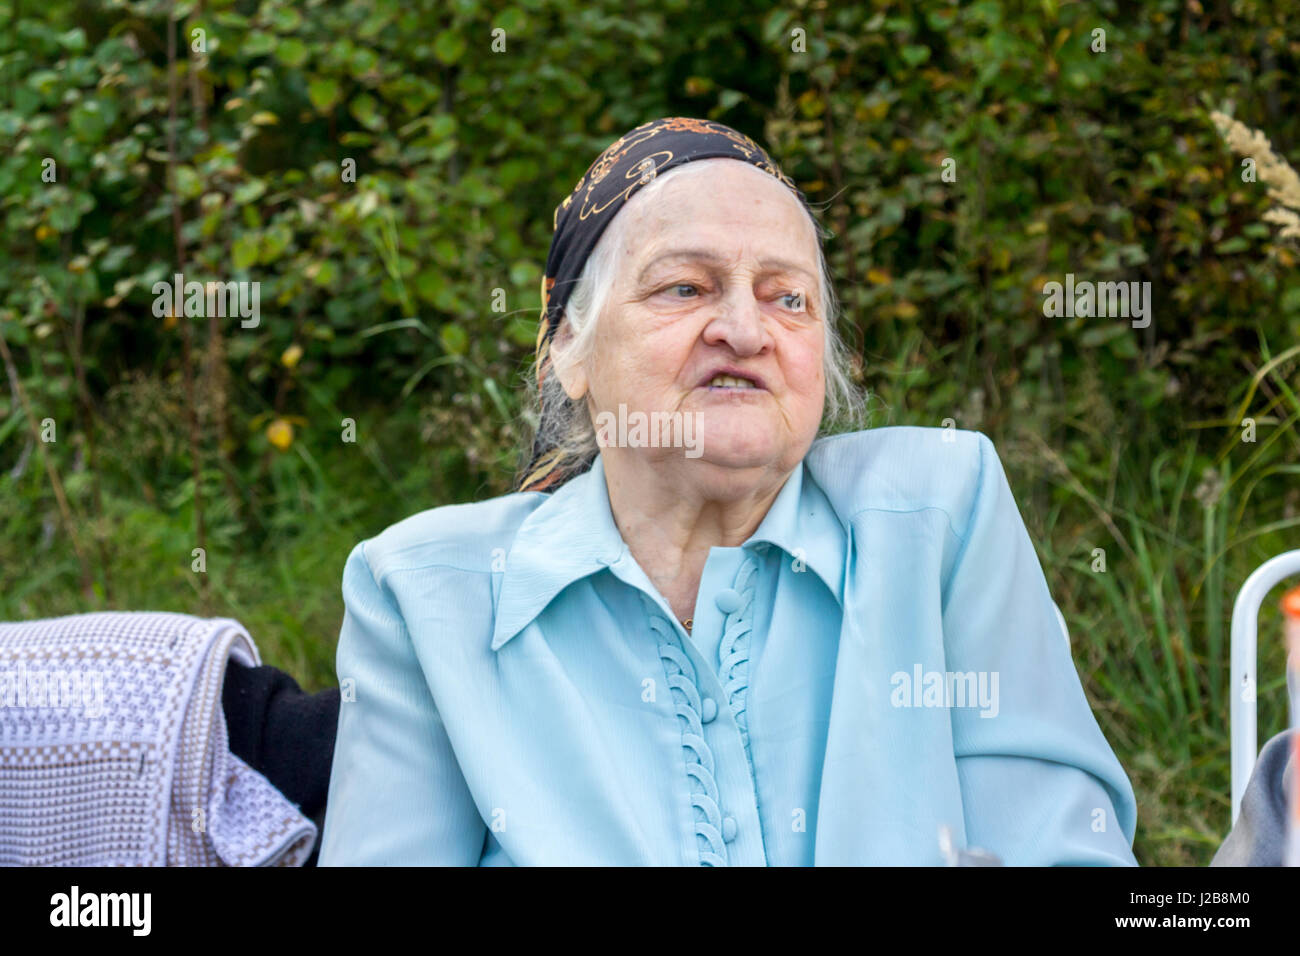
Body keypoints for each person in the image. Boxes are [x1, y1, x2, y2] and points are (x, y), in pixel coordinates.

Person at [317, 117, 1139, 866]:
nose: (745, 330)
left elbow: (1060, 850)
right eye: (686, 287)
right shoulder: (426, 596)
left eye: (789, 298)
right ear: (568, 347)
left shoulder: (937, 516)